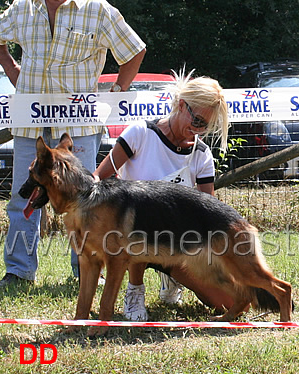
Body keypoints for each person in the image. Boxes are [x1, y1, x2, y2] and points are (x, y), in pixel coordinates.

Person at [0, 0, 146, 289]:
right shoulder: (23, 6)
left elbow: (134, 51)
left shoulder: (98, 9)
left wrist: (117, 93)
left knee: (86, 201)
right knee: (23, 197)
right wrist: (14, 72)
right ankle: (18, 273)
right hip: (30, 124)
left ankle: (84, 271)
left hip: (79, 127)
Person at [93, 70, 231, 321]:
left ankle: (170, 277)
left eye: (206, 126)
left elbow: (210, 211)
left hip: (176, 243)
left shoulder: (201, 154)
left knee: (224, 302)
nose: (198, 131)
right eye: (198, 121)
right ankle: (135, 290)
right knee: (139, 220)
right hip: (130, 238)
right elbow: (98, 178)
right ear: (181, 106)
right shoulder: (140, 134)